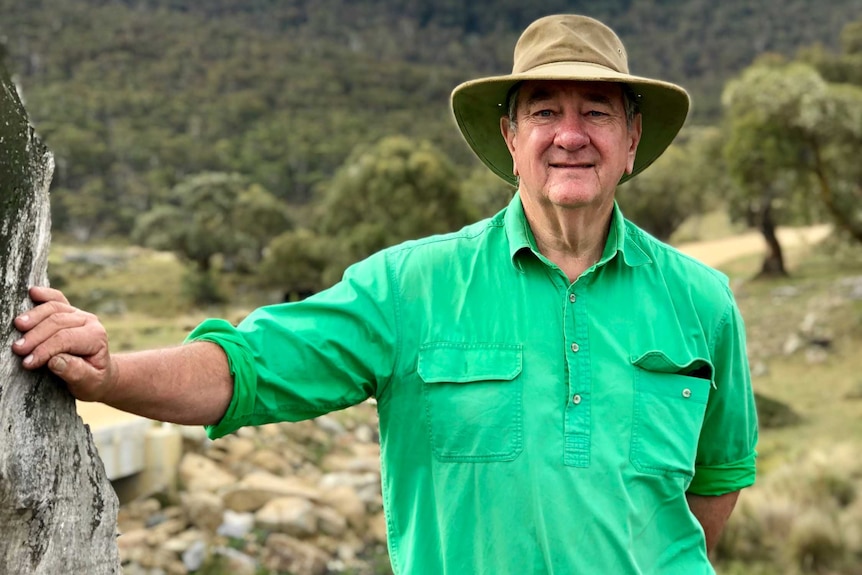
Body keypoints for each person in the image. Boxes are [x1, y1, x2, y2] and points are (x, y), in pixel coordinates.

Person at [12, 14, 757, 574]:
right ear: (510, 137)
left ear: (632, 140)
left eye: (596, 110)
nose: (570, 134)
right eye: (543, 111)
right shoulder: (411, 286)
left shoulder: (703, 301)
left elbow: (716, 483)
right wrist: (111, 373)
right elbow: (251, 367)